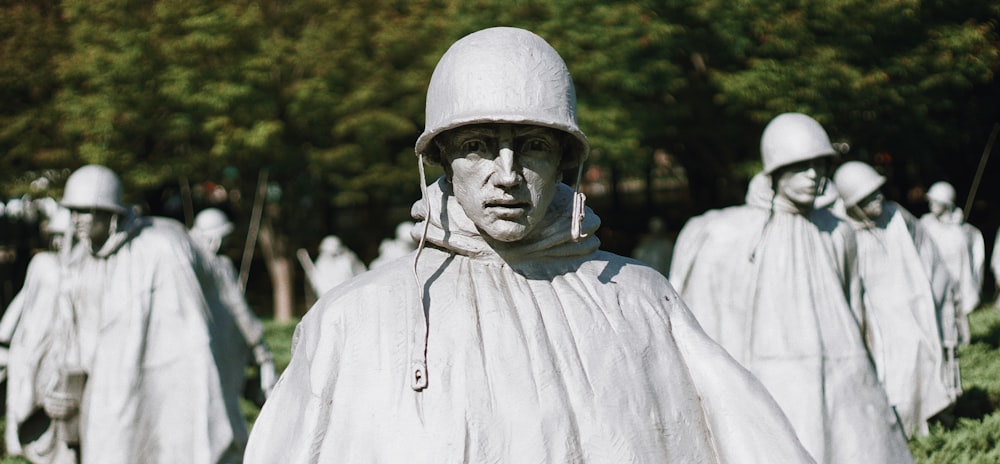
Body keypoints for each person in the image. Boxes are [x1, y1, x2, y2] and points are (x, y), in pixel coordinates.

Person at [244, 27, 813, 463]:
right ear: (439, 159)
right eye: (478, 144)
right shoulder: (354, 317)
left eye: (534, 145)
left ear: (566, 160)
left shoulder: (642, 300)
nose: (507, 172)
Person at [669, 113, 913, 463]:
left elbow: (855, 306)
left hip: (845, 370)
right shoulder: (739, 233)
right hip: (773, 372)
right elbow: (715, 317)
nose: (813, 176)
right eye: (800, 166)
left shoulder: (837, 231)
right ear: (776, 171)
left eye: (819, 165)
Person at [38, 165, 248, 463]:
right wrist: (53, 389)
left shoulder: (160, 246)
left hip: (154, 390)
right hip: (101, 398)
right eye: (73, 211)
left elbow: (197, 336)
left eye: (87, 212)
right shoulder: (80, 264)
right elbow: (69, 335)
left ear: (111, 214)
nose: (77, 220)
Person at [832, 161, 955, 437]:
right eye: (867, 197)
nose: (877, 199)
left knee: (920, 364)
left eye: (878, 191)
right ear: (853, 202)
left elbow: (931, 260)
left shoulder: (897, 216)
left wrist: (940, 305)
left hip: (910, 312)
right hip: (871, 320)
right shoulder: (839, 229)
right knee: (887, 378)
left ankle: (927, 428)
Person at [1, 207, 73, 461]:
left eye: (64, 235)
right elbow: (24, 299)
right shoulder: (42, 263)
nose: (58, 241)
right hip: (29, 345)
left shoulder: (81, 271)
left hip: (59, 350)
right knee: (24, 397)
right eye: (56, 235)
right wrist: (6, 338)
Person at [189, 208, 277, 405]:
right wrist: (262, 353)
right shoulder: (218, 265)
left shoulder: (191, 264)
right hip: (218, 346)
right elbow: (239, 308)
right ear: (216, 238)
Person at [920, 181, 985, 345]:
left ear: (946, 204)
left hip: (956, 277)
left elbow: (972, 254)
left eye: (936, 201)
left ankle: (962, 339)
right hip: (933, 276)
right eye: (931, 200)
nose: (931, 204)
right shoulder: (925, 224)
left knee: (958, 310)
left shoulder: (961, 229)